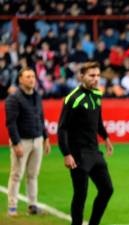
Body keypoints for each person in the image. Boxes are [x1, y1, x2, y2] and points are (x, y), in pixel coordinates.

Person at [57, 61, 113, 225]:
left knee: (107, 190)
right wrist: (66, 154)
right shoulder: (73, 98)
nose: (96, 79)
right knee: (81, 195)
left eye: (97, 75)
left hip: (95, 153)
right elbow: (62, 129)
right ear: (81, 77)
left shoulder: (97, 95)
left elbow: (98, 121)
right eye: (91, 75)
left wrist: (106, 138)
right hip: (78, 155)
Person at [5, 67, 51, 216]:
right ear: (20, 80)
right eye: (28, 77)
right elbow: (11, 123)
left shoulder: (37, 96)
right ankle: (12, 207)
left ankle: (32, 205)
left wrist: (46, 138)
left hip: (37, 140)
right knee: (17, 174)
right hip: (22, 141)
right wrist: (16, 143)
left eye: (33, 76)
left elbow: (41, 118)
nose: (31, 79)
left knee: (33, 175)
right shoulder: (13, 98)